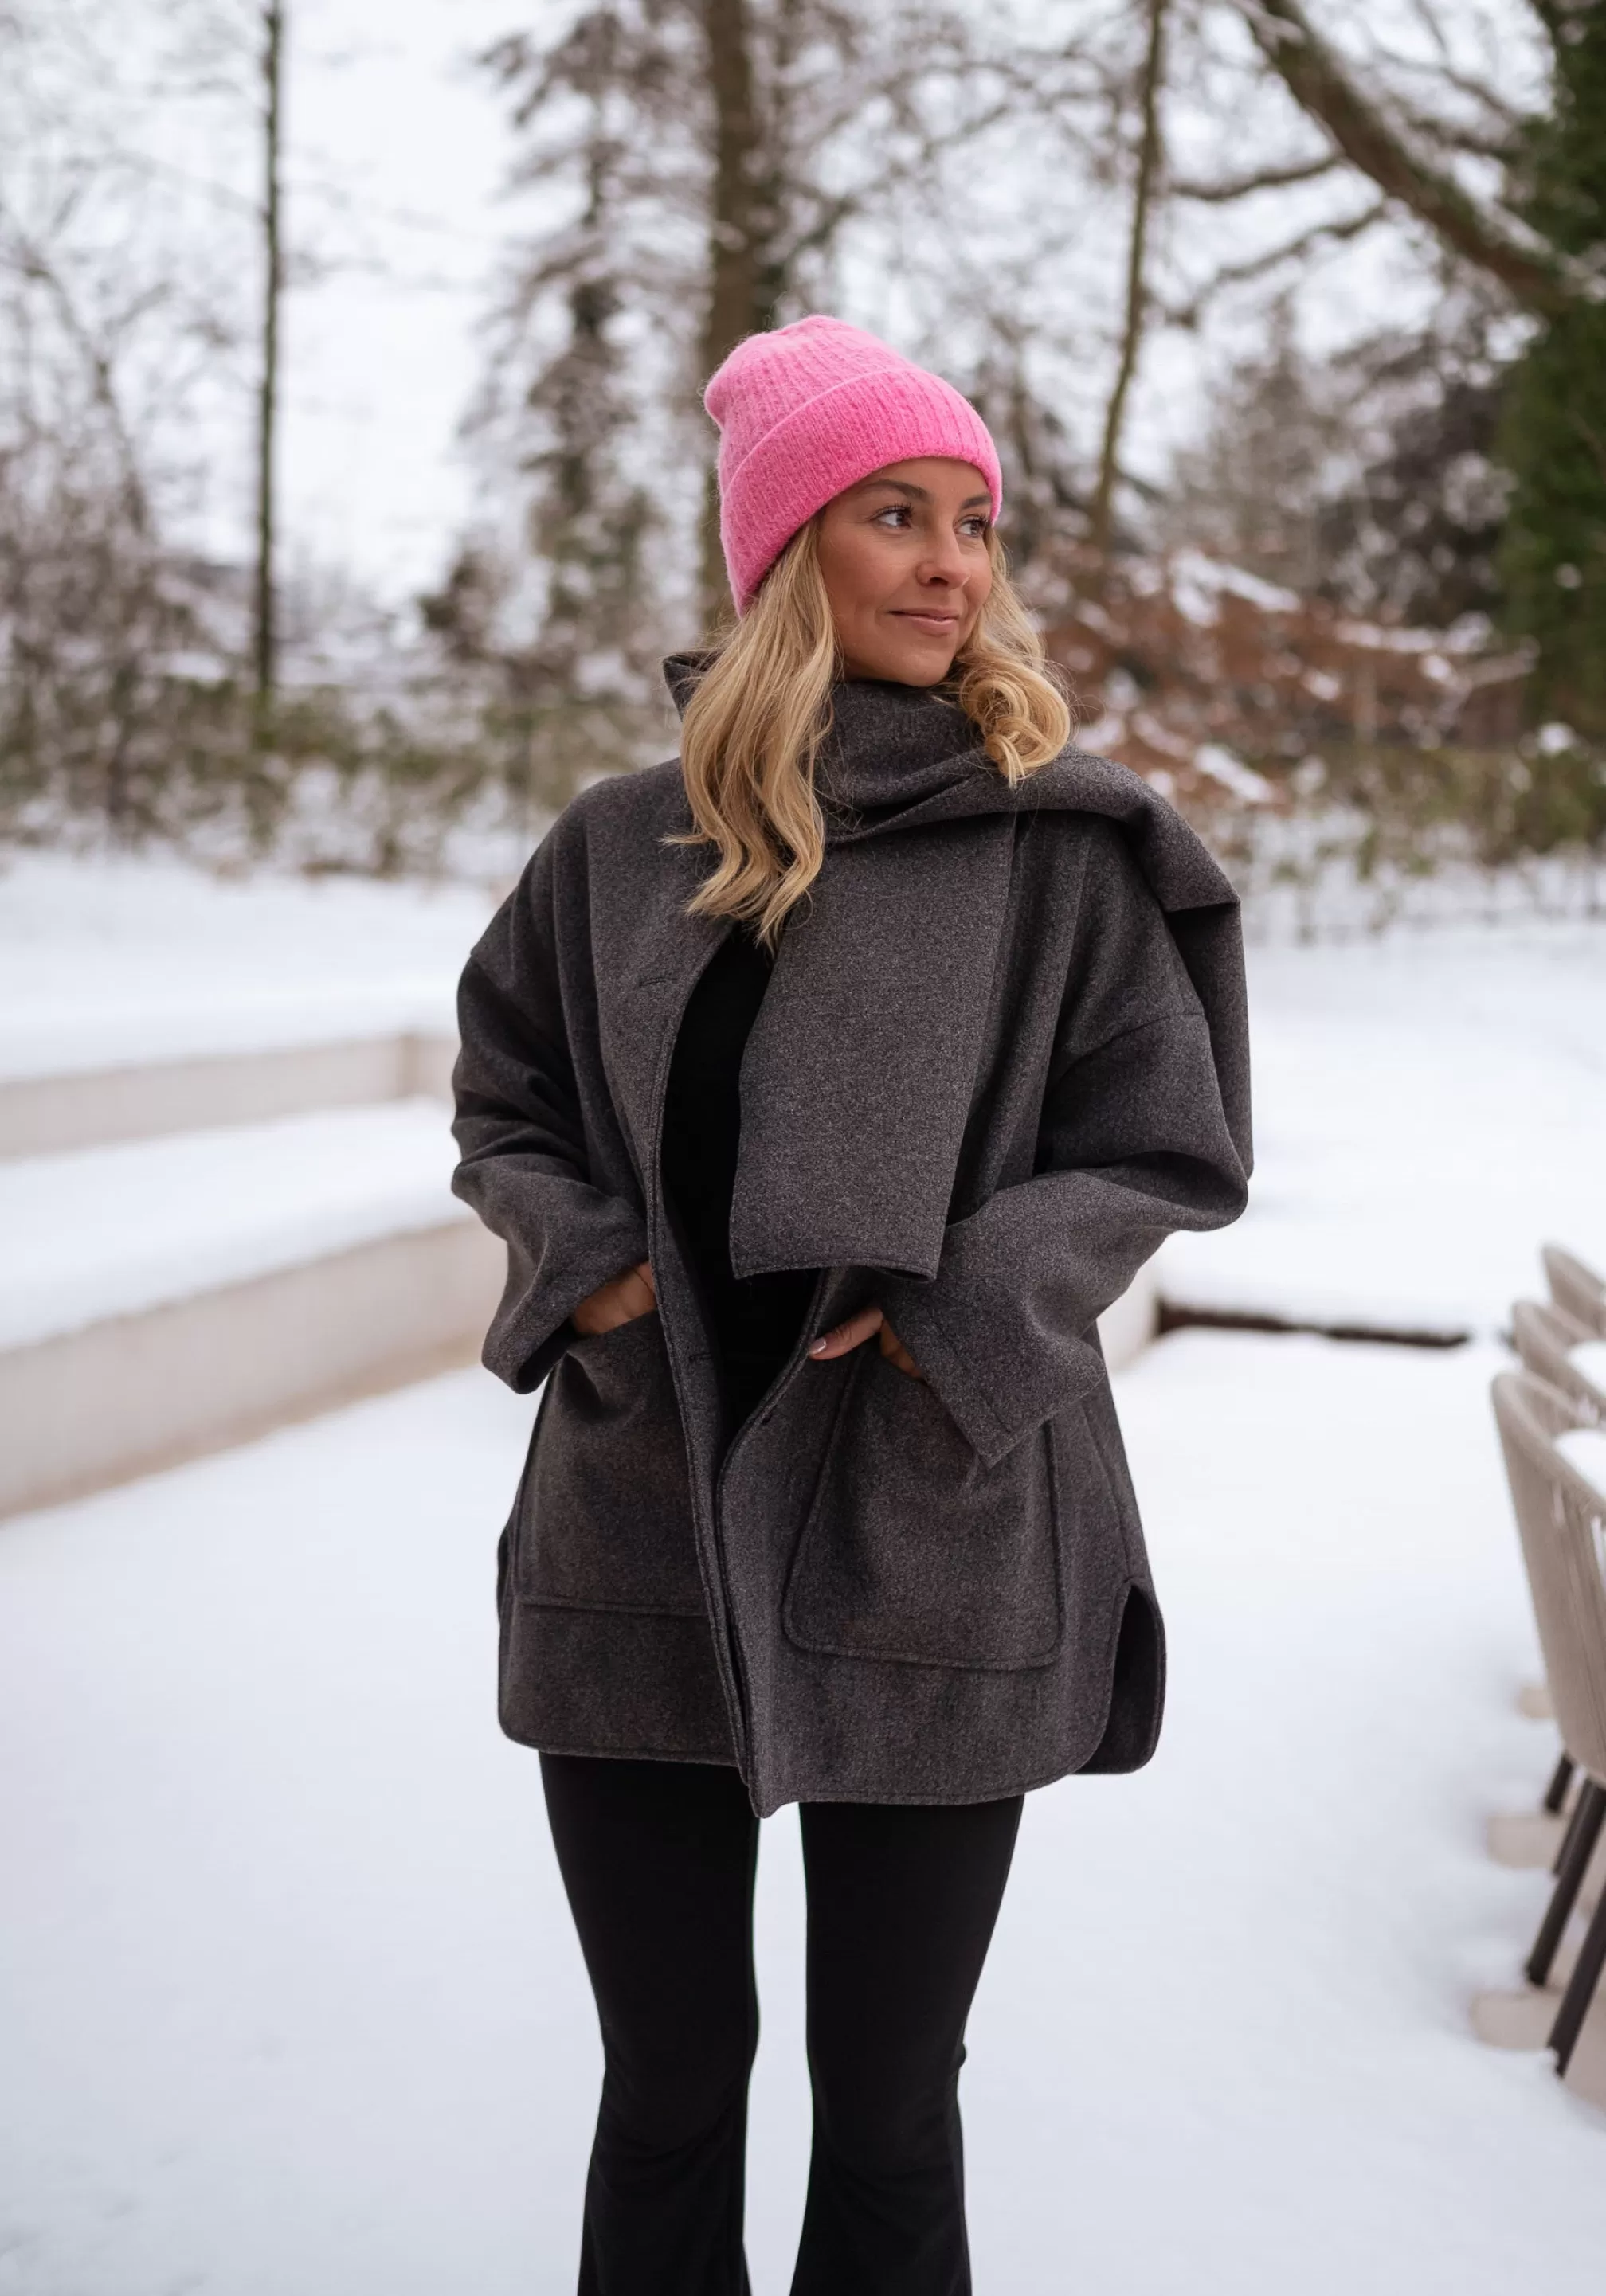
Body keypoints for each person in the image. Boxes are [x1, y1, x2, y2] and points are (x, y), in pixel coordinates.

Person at [451, 313, 1252, 2296]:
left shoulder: (1059, 852)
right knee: (666, 2089)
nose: (950, 565)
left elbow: (1168, 1145)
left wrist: (966, 1302)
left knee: (891, 2108)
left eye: (974, 522)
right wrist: (586, 1266)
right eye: (896, 514)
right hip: (637, 1529)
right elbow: (506, 1093)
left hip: (935, 1535)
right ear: (782, 548)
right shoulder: (620, 847)